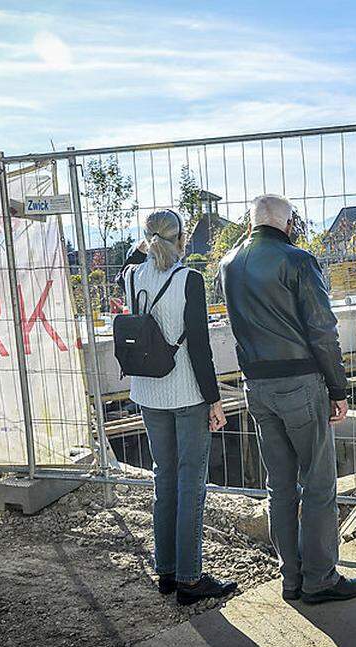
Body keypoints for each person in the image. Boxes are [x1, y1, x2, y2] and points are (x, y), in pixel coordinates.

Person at [220, 194, 356, 604]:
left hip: (256, 387)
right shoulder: (297, 259)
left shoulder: (228, 263)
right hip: (300, 382)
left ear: (252, 222)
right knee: (318, 483)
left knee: (279, 486)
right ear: (286, 223)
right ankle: (320, 579)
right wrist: (338, 388)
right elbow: (322, 329)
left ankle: (291, 578)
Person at [123, 209, 234, 605]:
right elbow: (200, 347)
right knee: (190, 484)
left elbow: (133, 258)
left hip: (148, 393)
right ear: (183, 239)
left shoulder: (132, 276)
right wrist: (214, 399)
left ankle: (166, 572)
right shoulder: (190, 280)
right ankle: (190, 579)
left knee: (163, 479)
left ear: (147, 237)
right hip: (186, 395)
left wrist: (145, 245)